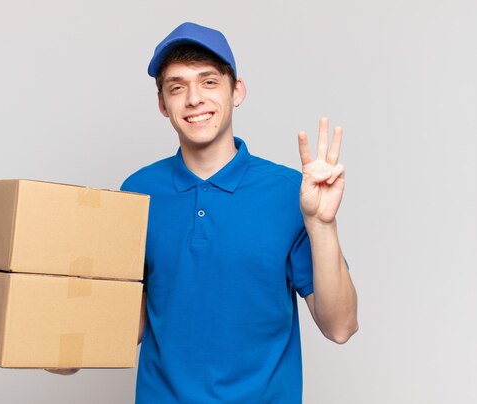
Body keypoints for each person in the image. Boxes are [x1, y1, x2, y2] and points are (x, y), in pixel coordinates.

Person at [50, 22, 358, 403]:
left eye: (209, 82)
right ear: (163, 104)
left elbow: (340, 326)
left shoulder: (289, 192)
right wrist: (63, 348)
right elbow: (131, 321)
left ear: (237, 90)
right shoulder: (137, 192)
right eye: (177, 87)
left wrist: (322, 224)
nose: (194, 98)